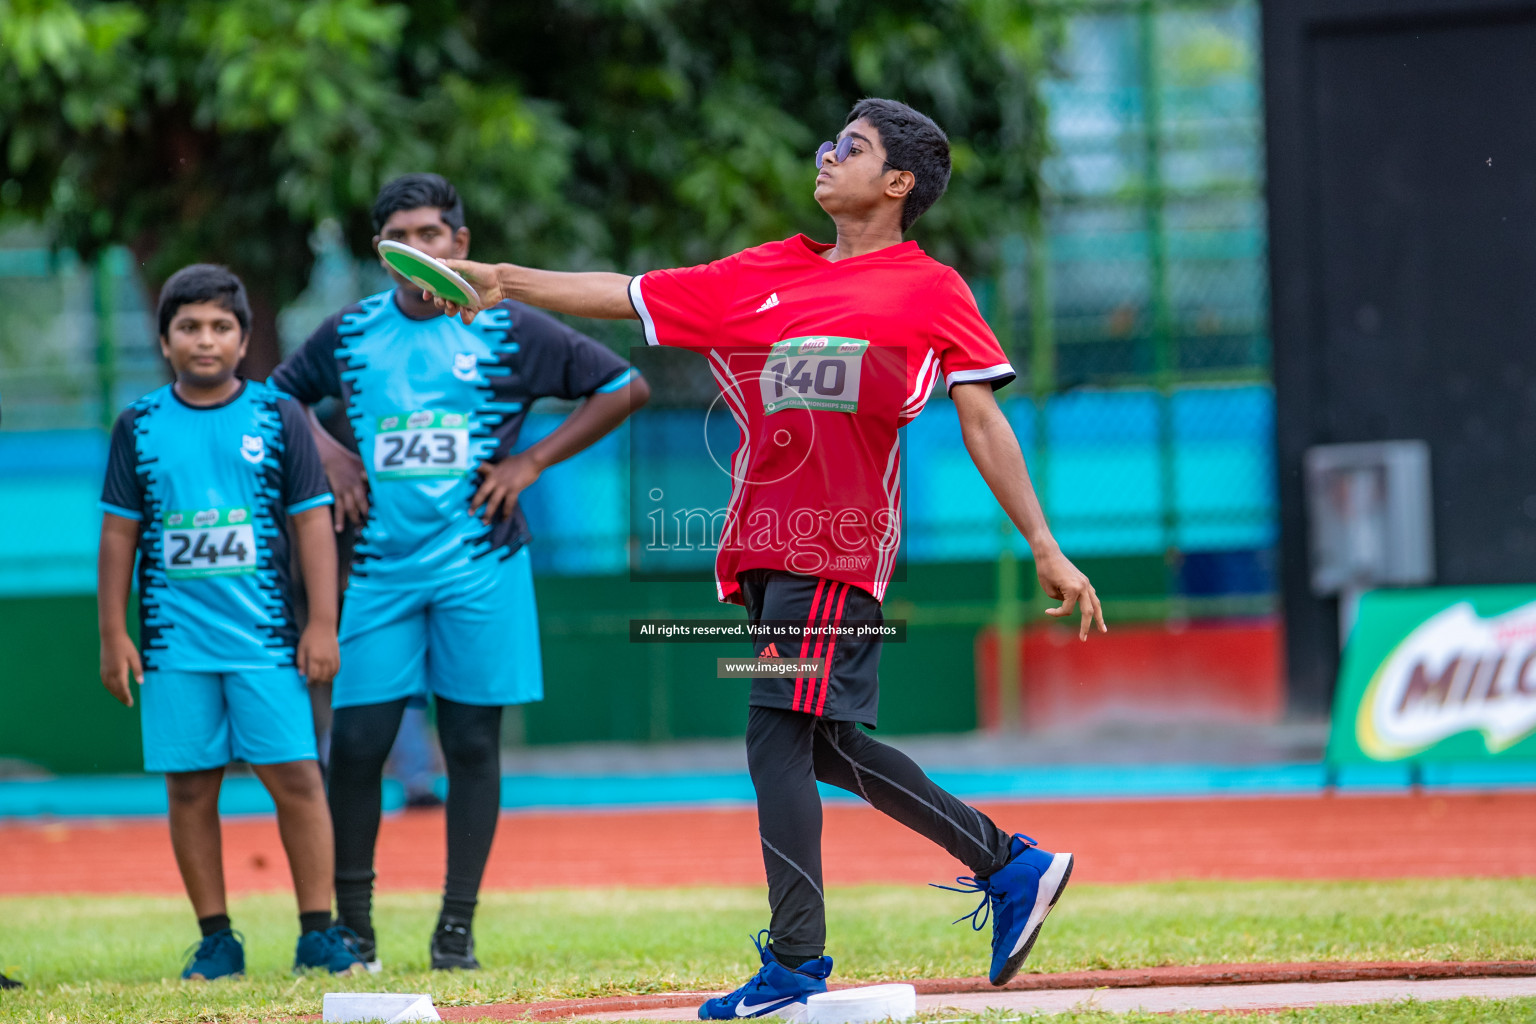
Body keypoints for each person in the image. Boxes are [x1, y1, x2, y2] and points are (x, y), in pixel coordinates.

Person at [431, 98, 1107, 1017]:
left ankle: (796, 966)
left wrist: (1045, 543)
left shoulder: (931, 289)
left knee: (774, 736)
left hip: (835, 551)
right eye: (832, 142)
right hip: (762, 555)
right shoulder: (766, 272)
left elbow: (982, 416)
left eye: (852, 149)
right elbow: (625, 294)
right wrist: (501, 278)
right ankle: (1008, 863)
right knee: (827, 744)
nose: (826, 156)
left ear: (899, 184)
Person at [271, 173, 650, 971]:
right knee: (359, 744)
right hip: (378, 571)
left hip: (484, 567)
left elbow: (624, 385)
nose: (419, 249)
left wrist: (531, 463)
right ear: (382, 253)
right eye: (401, 237)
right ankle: (357, 930)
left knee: (473, 744)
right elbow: (277, 401)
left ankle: (457, 930)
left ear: (460, 245)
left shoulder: (509, 327)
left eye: (433, 234)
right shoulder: (347, 335)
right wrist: (333, 453)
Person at [97, 265, 363, 980]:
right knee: (189, 788)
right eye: (189, 326)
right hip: (176, 648)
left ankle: (318, 933)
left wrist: (323, 624)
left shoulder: (278, 417)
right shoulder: (140, 425)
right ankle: (216, 938)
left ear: (244, 341)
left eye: (220, 326)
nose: (204, 339)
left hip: (268, 645)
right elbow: (119, 534)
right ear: (164, 340)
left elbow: (312, 524)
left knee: (299, 780)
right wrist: (112, 633)